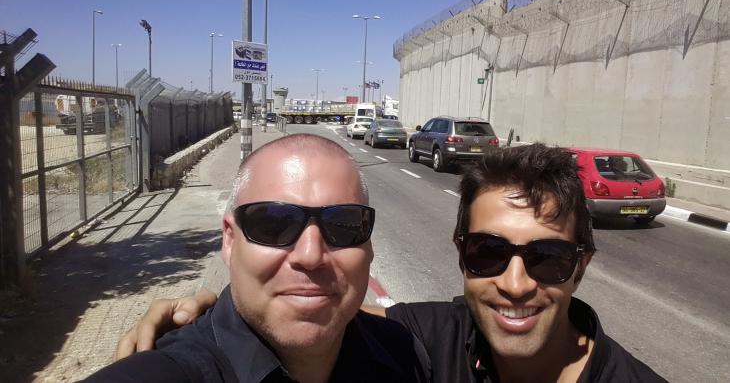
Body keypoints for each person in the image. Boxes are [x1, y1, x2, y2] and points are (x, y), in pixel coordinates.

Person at [116, 143, 667, 382]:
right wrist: (207, 308)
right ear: (462, 256)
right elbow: (326, 315)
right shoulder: (431, 339)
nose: (515, 284)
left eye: (547, 259)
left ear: (582, 264)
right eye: (488, 254)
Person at [87, 133, 430, 383]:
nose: (310, 256)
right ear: (230, 240)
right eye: (273, 223)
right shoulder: (173, 368)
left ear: (368, 246)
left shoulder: (408, 355)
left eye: (344, 224)